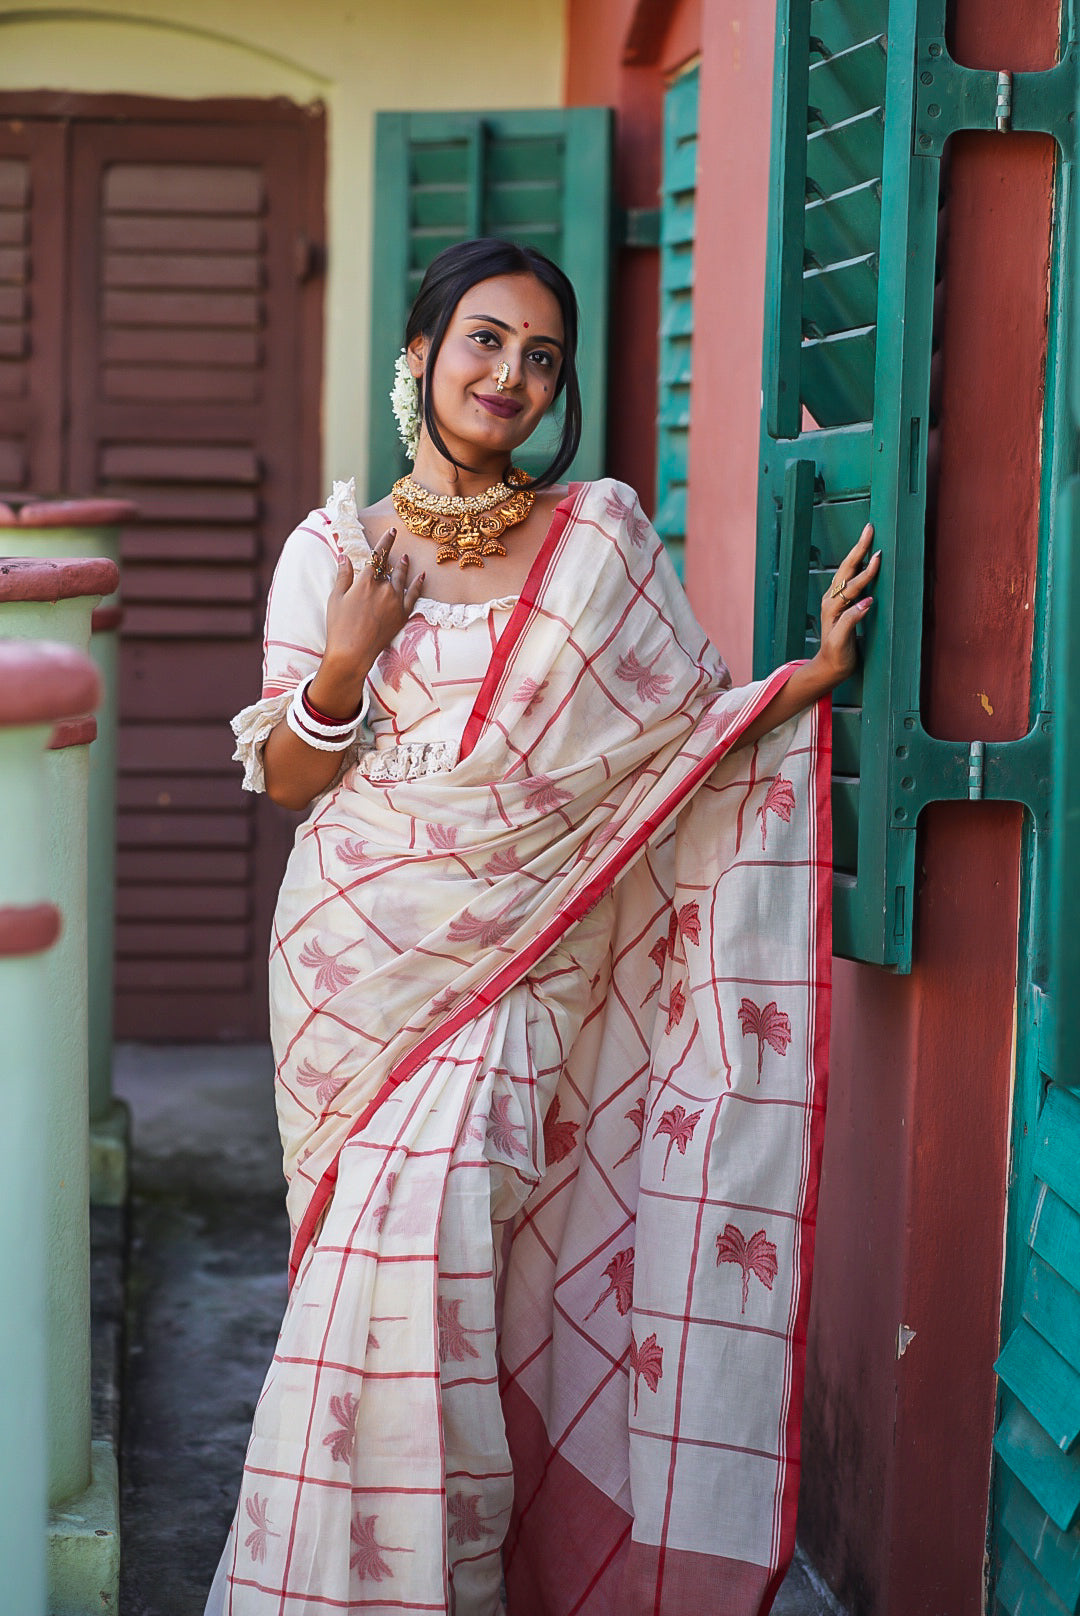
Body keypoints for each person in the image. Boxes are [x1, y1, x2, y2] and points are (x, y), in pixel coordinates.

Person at [208, 237, 879, 1616]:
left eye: (541, 356)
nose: (509, 374)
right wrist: (343, 658)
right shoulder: (333, 549)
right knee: (377, 1301)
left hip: (520, 973)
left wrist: (804, 682)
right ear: (420, 357)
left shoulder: (599, 542)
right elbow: (285, 778)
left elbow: (672, 740)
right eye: (483, 341)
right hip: (354, 971)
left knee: (449, 1283)